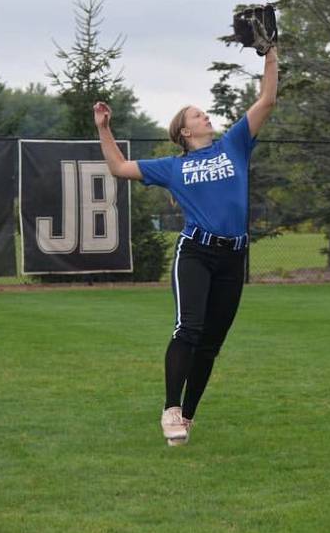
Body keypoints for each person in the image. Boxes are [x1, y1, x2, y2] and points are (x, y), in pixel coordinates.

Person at [93, 45, 278, 445]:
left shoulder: (234, 144)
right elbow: (119, 167)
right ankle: (171, 409)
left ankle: (188, 417)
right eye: (197, 115)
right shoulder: (173, 167)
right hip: (196, 252)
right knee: (189, 328)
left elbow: (267, 99)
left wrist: (271, 54)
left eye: (204, 112)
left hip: (234, 257)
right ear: (184, 132)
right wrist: (104, 128)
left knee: (210, 345)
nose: (205, 116)